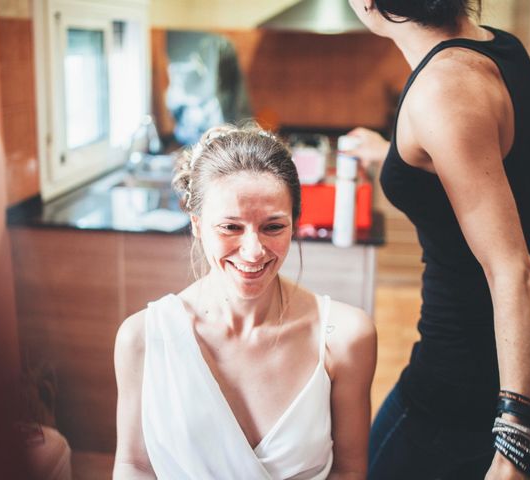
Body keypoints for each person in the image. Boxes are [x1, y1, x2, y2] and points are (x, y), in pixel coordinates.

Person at [345, 1, 530, 479]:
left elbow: (514, 270)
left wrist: (515, 442)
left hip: (475, 375)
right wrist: (390, 155)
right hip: (524, 346)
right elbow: (478, 160)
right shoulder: (499, 48)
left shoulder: (443, 91)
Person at [113, 124, 377, 479]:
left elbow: (348, 471)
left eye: (273, 227)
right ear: (196, 224)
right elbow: (135, 466)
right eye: (231, 228)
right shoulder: (142, 339)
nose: (253, 252)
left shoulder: (345, 338)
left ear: (295, 224)